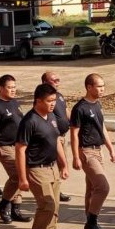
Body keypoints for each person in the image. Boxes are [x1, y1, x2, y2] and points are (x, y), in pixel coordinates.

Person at [16, 83, 70, 229]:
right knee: (47, 205)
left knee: (54, 208)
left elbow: (56, 141)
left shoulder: (51, 116)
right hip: (36, 169)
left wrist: (64, 164)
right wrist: (23, 178)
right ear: (38, 101)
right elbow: (20, 150)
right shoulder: (30, 121)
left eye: (54, 100)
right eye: (49, 101)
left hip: (52, 167)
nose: (53, 104)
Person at [70, 73, 115, 229]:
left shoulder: (97, 104)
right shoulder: (80, 108)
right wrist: (76, 156)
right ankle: (92, 222)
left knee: (91, 189)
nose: (102, 89)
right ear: (89, 87)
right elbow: (74, 134)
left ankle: (90, 224)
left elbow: (101, 126)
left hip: (99, 150)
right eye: (99, 86)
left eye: (103, 86)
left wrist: (110, 148)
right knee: (103, 187)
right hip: (86, 152)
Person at [0, 75, 32, 224]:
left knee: (22, 174)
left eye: (14, 87)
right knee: (17, 176)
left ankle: (15, 209)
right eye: (9, 87)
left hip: (18, 145)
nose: (13, 90)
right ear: (1, 88)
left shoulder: (14, 102)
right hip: (4, 146)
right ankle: (3, 204)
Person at [41, 71, 72, 203]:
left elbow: (66, 110)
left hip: (63, 136)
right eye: (54, 80)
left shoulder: (59, 96)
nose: (57, 82)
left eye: (58, 80)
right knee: (53, 165)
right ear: (45, 82)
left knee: (61, 165)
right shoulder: (43, 99)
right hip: (54, 138)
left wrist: (74, 123)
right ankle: (53, 191)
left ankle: (57, 190)